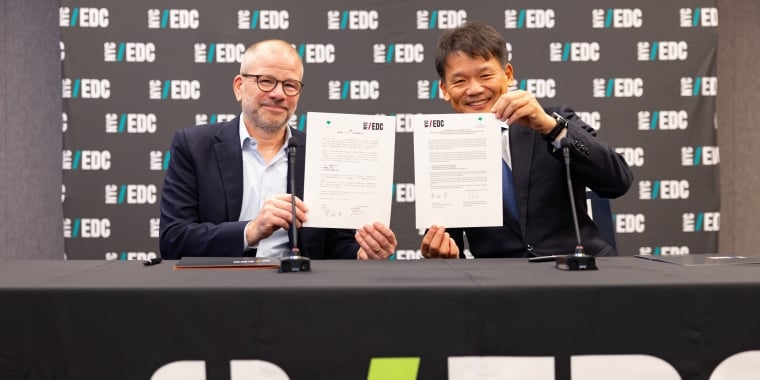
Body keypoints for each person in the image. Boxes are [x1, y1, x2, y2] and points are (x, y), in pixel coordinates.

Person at [159, 39, 397, 260]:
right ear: (239, 87)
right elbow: (174, 240)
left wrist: (362, 253)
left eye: (290, 85)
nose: (279, 94)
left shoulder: (322, 152)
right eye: (266, 81)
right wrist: (251, 230)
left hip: (301, 292)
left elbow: (336, 246)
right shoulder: (194, 145)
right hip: (220, 289)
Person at [421, 21, 633, 259]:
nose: (474, 89)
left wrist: (552, 128)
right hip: (501, 286)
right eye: (460, 81)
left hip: (580, 274)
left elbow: (618, 181)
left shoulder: (554, 121)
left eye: (485, 75)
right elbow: (450, 247)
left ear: (508, 75)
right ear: (444, 89)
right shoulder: (443, 151)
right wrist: (444, 256)